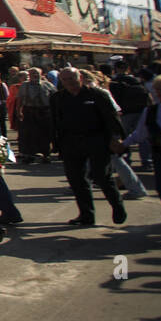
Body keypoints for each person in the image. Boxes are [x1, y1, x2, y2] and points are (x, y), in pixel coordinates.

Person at [51, 67, 128, 227]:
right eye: (65, 80)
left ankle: (117, 205)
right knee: (77, 180)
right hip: (71, 142)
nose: (69, 82)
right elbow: (55, 121)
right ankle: (86, 215)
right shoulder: (58, 98)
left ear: (80, 77)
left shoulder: (97, 95)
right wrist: (56, 143)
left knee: (102, 176)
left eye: (72, 78)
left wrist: (116, 138)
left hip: (96, 140)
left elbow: (111, 118)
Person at [81, 70, 147, 200]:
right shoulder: (90, 92)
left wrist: (115, 135)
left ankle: (136, 189)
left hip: (104, 134)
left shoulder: (98, 93)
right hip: (93, 134)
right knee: (87, 161)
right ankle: (82, 185)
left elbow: (115, 113)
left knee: (116, 161)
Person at [121, 73, 161, 236]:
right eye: (157, 90)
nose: (159, 93)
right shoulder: (150, 111)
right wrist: (122, 145)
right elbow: (140, 134)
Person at [110, 58, 153, 171]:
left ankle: (126, 160)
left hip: (125, 112)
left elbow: (114, 99)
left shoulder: (115, 82)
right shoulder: (137, 80)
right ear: (127, 69)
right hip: (140, 110)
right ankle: (146, 161)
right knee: (142, 136)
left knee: (125, 136)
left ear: (115, 69)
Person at [15, 67, 55, 163]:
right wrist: (18, 111)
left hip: (44, 112)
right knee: (29, 134)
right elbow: (19, 99)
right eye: (32, 73)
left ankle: (46, 155)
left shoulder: (48, 85)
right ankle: (29, 155)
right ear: (29, 75)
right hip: (29, 111)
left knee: (44, 134)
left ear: (41, 74)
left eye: (37, 73)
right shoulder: (24, 85)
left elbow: (55, 99)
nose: (35, 75)